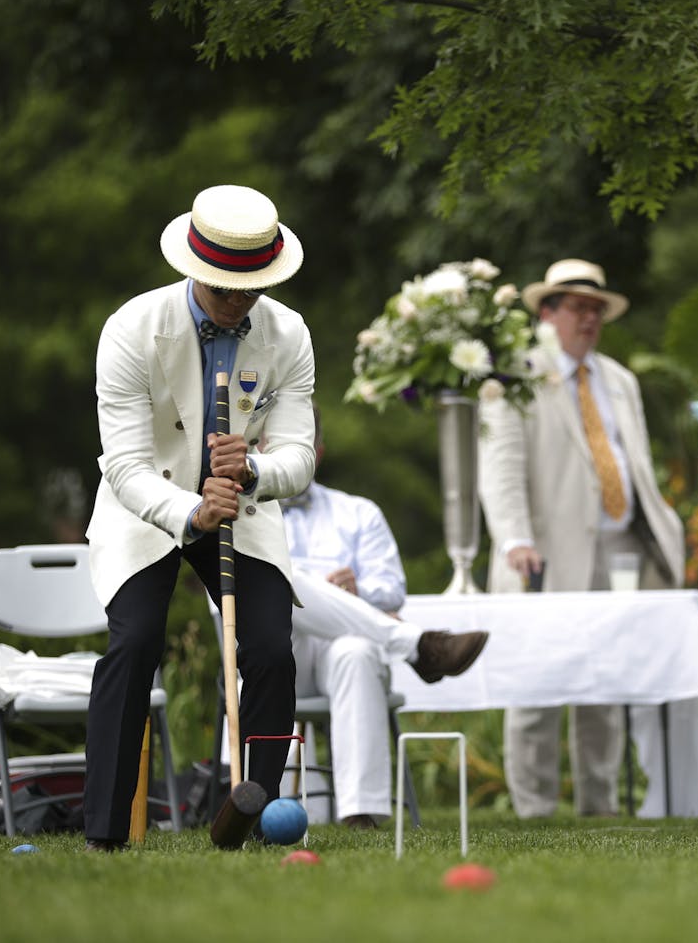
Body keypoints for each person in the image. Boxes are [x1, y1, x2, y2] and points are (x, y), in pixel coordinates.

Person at [82, 184, 316, 851]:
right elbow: (124, 466)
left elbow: (299, 455)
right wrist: (192, 508)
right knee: (135, 642)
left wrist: (252, 473)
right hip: (147, 509)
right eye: (224, 290)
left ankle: (254, 817)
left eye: (253, 288)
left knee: (270, 646)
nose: (240, 302)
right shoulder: (132, 329)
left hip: (242, 504)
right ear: (194, 270)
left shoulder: (289, 333)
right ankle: (104, 830)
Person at [479, 258, 686, 818]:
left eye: (596, 309)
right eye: (577, 307)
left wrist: (662, 535)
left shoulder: (619, 380)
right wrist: (515, 540)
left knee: (606, 678)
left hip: (619, 548)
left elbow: (633, 464)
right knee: (537, 681)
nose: (589, 318)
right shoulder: (514, 371)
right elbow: (500, 467)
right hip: (542, 552)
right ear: (547, 313)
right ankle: (534, 808)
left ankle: (601, 803)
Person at [280, 406, 488, 829]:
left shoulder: (358, 512)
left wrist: (359, 591)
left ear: (317, 453)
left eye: (299, 446)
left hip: (341, 651)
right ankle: (416, 645)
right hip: (275, 652)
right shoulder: (244, 515)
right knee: (283, 579)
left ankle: (361, 811)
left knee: (357, 650)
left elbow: (392, 589)